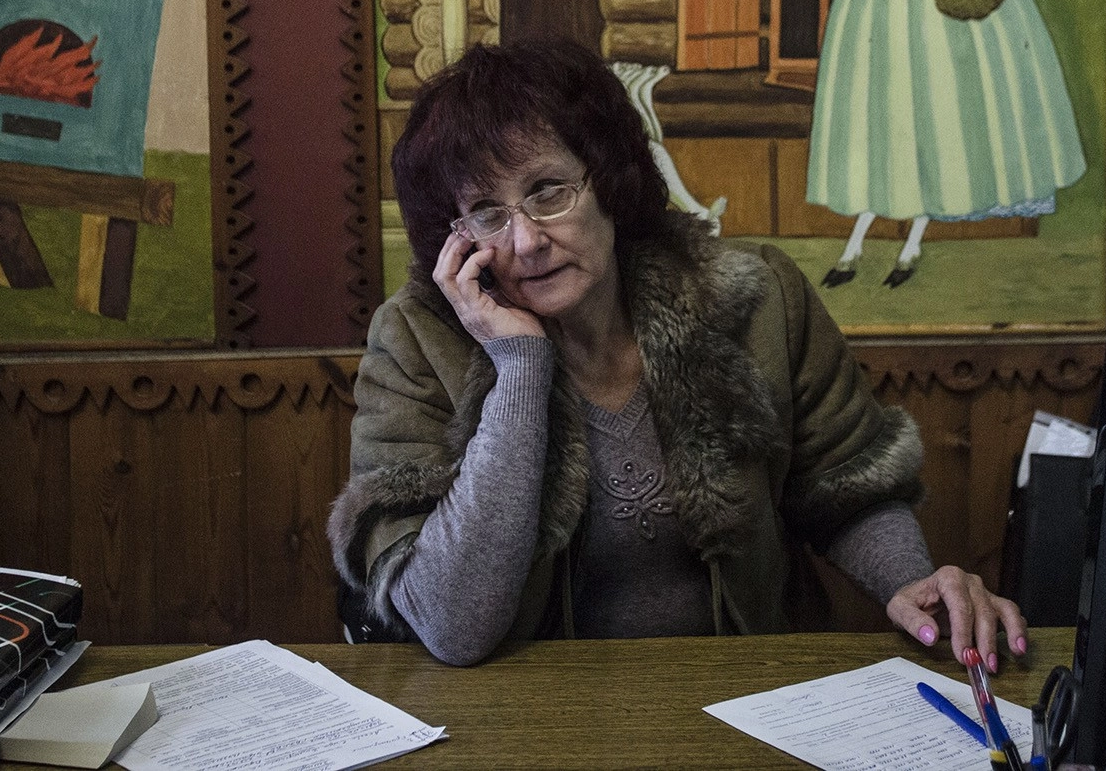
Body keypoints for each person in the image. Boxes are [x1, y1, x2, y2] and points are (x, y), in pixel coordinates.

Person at [328, 39, 1029, 668]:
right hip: (528, 727)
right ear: (456, 235)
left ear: (604, 176)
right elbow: (454, 624)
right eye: (487, 211)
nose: (526, 241)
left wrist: (911, 582)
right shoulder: (417, 342)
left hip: (751, 705)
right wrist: (518, 369)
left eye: (548, 191)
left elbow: (852, 487)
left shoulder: (754, 297)